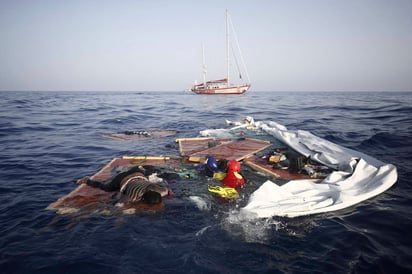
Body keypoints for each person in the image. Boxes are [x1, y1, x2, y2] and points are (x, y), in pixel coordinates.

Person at [76, 165, 173, 204]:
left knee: (149, 174)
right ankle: (87, 180)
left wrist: (172, 195)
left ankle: (140, 167)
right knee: (106, 188)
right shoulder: (133, 196)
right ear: (142, 198)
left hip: (137, 172)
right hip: (121, 178)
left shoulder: (161, 190)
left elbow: (168, 191)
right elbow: (119, 204)